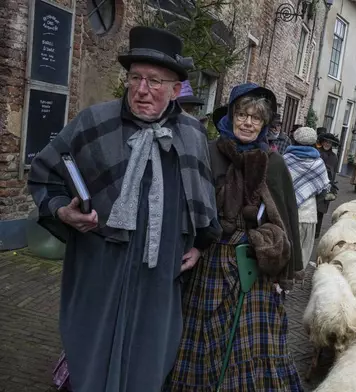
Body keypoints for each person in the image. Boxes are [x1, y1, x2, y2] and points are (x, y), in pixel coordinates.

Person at [28, 26, 221, 392]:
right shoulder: (94, 122)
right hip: (100, 264)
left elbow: (203, 201)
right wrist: (62, 211)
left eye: (154, 81)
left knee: (149, 358)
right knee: (91, 352)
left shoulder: (193, 135)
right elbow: (44, 176)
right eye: (135, 77)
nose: (142, 89)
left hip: (160, 272)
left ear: (176, 89)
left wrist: (200, 244)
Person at [166, 83, 303, 390]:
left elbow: (286, 218)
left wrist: (282, 271)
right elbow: (189, 204)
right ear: (230, 114)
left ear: (265, 124)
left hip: (255, 262)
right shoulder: (209, 152)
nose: (248, 122)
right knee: (204, 330)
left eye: (256, 118)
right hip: (211, 257)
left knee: (251, 338)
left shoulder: (274, 162)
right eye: (242, 114)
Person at [283, 127, 331, 264]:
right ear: (314, 144)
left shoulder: (284, 160)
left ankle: (281, 279)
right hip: (308, 215)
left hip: (286, 213)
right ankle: (297, 276)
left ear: (294, 141)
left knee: (285, 247)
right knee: (304, 249)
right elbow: (323, 191)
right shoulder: (318, 163)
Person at [315, 132, 340, 238]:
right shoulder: (316, 153)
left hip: (327, 186)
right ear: (322, 142)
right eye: (326, 142)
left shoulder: (334, 157)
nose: (327, 144)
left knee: (320, 211)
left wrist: (331, 187)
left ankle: (316, 233)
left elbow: (334, 173)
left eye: (330, 143)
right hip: (315, 184)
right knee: (312, 208)